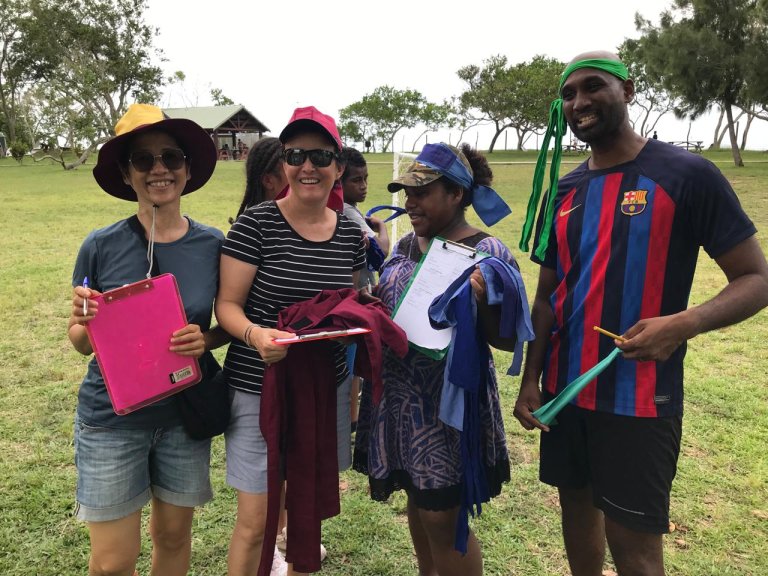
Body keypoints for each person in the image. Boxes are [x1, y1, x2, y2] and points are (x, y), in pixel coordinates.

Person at [515, 51, 768, 576]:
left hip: (639, 399)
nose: (579, 102)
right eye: (568, 94)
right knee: (576, 518)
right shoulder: (566, 189)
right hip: (565, 393)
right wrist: (531, 381)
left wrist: (683, 324)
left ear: (628, 90)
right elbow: (546, 296)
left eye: (593, 86)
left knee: (634, 551)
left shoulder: (685, 173)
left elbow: (756, 279)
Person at [68, 103, 229, 576]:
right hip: (112, 421)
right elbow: (80, 341)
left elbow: (226, 322)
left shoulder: (213, 244)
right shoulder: (100, 245)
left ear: (187, 169)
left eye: (171, 157)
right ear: (127, 173)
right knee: (113, 561)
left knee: (174, 539)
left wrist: (205, 340)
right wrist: (84, 320)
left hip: (183, 416)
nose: (159, 169)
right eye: (143, 160)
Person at [353, 143, 522, 576]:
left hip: (447, 410)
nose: (411, 203)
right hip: (400, 403)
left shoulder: (487, 252)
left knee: (443, 519)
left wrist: (482, 301)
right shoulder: (407, 244)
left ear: (456, 194)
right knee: (419, 502)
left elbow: (507, 339)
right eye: (407, 193)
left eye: (422, 193)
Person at [215, 105, 366, 576]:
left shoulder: (351, 234)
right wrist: (255, 334)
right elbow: (227, 306)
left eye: (320, 156)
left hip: (324, 387)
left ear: (338, 166)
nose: (307, 167)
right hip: (259, 387)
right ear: (283, 164)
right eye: (296, 155)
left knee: (305, 508)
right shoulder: (255, 225)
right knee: (257, 521)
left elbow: (350, 304)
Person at [338, 146, 390, 432]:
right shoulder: (348, 211)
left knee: (353, 364)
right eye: (356, 180)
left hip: (354, 297)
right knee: (351, 364)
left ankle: (353, 418)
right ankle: (351, 418)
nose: (364, 186)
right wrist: (382, 228)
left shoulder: (346, 210)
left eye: (366, 179)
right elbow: (381, 252)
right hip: (357, 299)